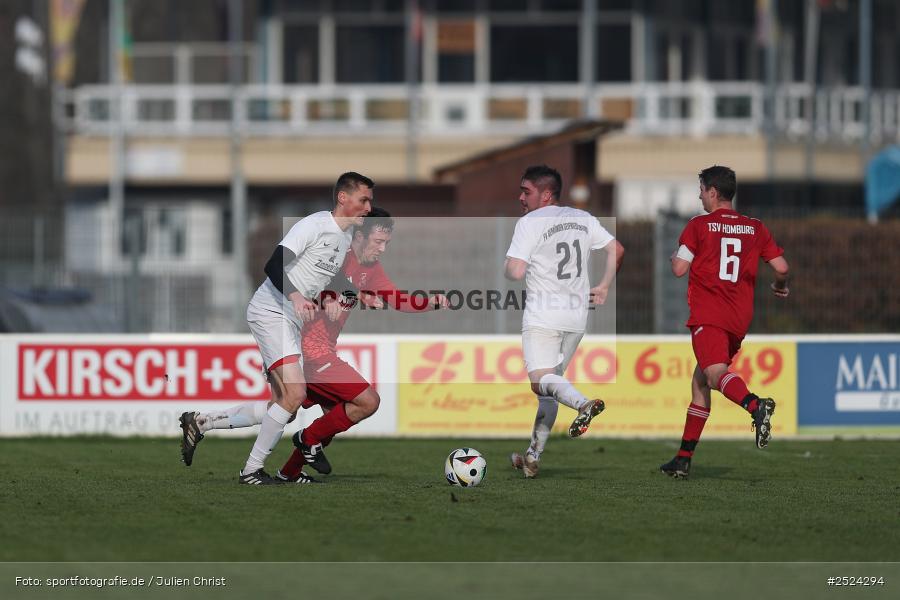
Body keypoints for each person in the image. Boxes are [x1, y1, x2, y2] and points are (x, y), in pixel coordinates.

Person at [180, 208, 447, 483]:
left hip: (311, 350)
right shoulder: (335, 255)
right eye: (378, 242)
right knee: (366, 402)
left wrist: (430, 303)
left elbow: (397, 298)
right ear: (359, 236)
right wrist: (333, 297)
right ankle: (297, 446)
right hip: (308, 350)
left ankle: (206, 424)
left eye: (386, 243)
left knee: (297, 411)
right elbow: (309, 279)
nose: (382, 249)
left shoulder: (372, 270)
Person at [180, 172, 372, 485]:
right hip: (271, 311)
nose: (368, 207)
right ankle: (250, 471)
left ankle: (201, 422)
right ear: (343, 198)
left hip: (288, 320)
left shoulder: (344, 237)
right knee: (295, 394)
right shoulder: (314, 225)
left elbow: (328, 276)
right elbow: (273, 264)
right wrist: (296, 297)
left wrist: (351, 293)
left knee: (284, 405)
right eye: (363, 200)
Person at [659, 165, 789, 479]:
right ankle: (682, 459)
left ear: (713, 192)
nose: (700, 196)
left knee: (715, 375)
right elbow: (782, 268)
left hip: (709, 315)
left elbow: (678, 269)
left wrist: (674, 257)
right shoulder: (755, 227)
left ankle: (755, 405)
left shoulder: (699, 225)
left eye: (702, 190)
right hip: (738, 319)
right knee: (700, 383)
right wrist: (780, 286)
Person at [504, 165, 624, 478]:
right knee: (551, 387)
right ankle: (532, 457)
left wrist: (508, 265)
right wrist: (604, 286)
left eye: (526, 191)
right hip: (576, 318)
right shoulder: (583, 218)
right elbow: (617, 250)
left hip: (544, 315)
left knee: (540, 381)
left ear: (546, 195)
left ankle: (583, 404)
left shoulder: (530, 222)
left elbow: (515, 272)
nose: (521, 198)